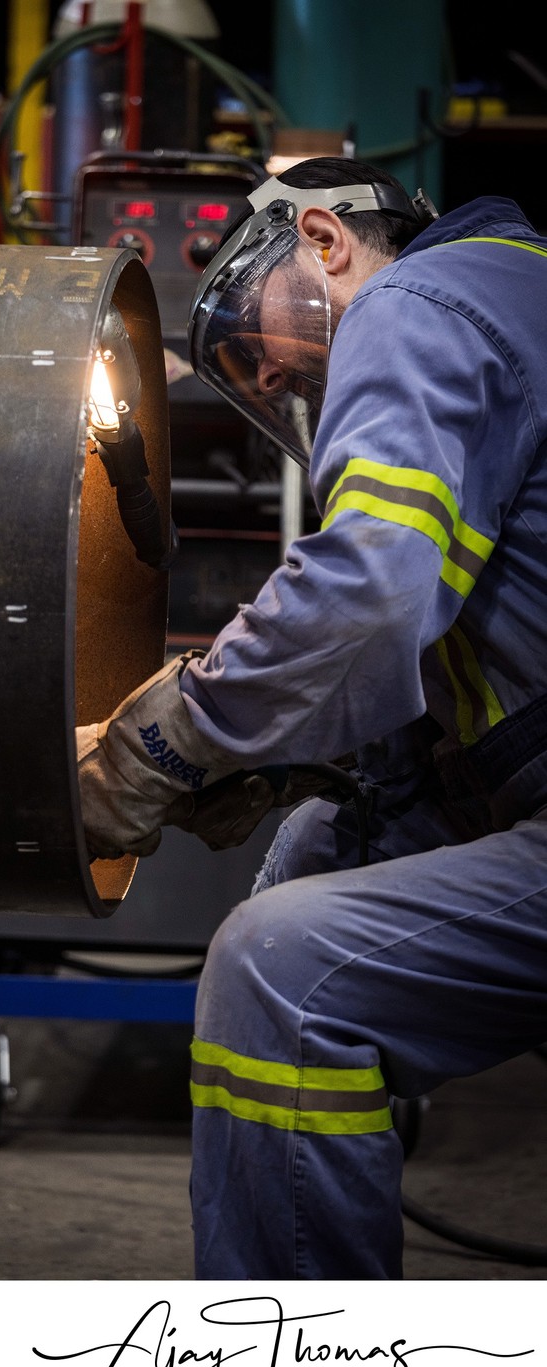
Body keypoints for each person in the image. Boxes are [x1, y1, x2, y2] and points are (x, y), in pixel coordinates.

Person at [76, 154, 547, 1279]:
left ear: (325, 242)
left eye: (261, 337)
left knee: (276, 970)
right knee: (305, 865)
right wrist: (297, 768)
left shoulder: (417, 299)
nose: (280, 377)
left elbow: (368, 588)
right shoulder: (518, 287)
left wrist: (164, 742)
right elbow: (471, 647)